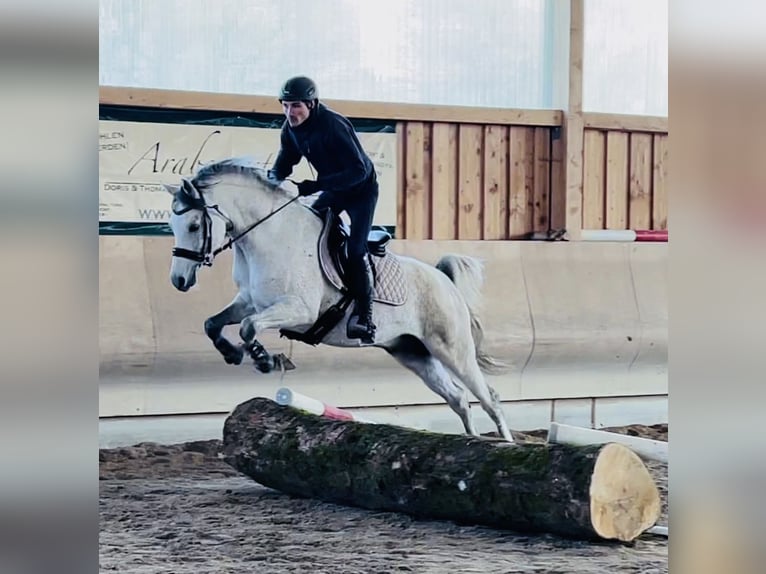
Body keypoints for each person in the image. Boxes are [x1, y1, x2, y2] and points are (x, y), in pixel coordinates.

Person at [267, 76, 378, 344]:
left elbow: (358, 171)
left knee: (355, 250)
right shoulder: (290, 128)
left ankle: (365, 317)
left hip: (361, 191)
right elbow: (285, 161)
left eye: (296, 106)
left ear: (311, 104)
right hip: (334, 189)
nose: (290, 113)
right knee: (308, 231)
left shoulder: (333, 125)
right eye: (285, 106)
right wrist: (270, 181)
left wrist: (316, 185)